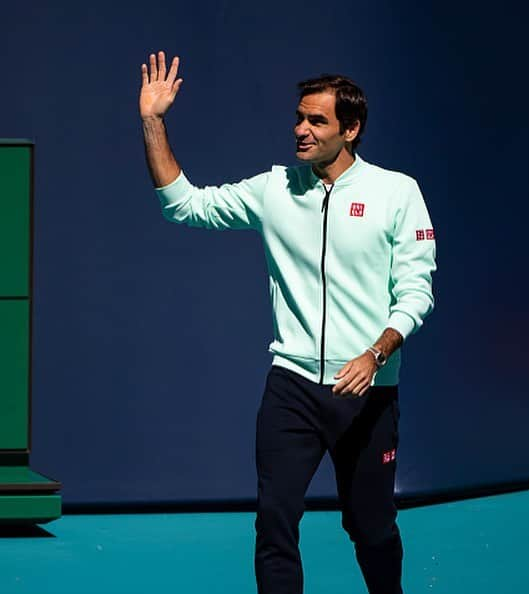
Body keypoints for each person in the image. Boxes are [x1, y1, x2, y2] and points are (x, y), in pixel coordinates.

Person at [140, 50, 436, 594]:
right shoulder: (274, 188)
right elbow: (184, 205)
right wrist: (153, 122)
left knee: (370, 528)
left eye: (316, 120)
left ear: (351, 129)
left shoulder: (398, 193)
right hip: (292, 388)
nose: (300, 129)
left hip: (368, 394)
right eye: (299, 117)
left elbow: (416, 292)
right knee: (275, 524)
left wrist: (376, 354)